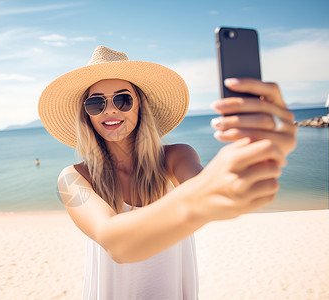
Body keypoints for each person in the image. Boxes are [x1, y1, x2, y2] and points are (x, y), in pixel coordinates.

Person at [38, 46, 296, 299]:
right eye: (96, 103)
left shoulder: (177, 157)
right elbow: (114, 241)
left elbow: (207, 187)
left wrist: (256, 156)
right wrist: (205, 195)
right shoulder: (73, 178)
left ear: (140, 104)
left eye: (123, 99)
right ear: (87, 115)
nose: (110, 110)